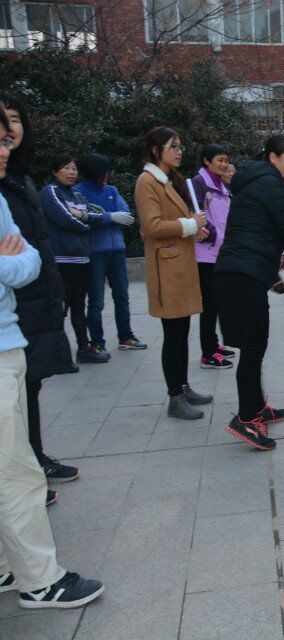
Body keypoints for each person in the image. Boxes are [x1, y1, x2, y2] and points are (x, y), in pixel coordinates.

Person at [0, 109, 105, 610]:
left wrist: (12, 260)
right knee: (18, 472)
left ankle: (7, 567)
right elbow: (17, 263)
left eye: (6, 140)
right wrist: (10, 260)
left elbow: (27, 263)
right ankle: (40, 581)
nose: (4, 149)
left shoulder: (4, 194)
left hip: (11, 339)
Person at [0, 92, 78, 488]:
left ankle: (33, 459)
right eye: (4, 120)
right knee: (15, 392)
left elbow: (34, 250)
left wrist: (55, 292)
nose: (10, 129)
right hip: (13, 305)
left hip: (34, 296)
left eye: (15, 119)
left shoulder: (20, 179)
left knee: (30, 384)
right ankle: (24, 471)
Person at [215, 135, 284, 450]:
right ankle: (245, 418)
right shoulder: (271, 183)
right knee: (253, 347)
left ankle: (256, 408)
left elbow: (255, 234)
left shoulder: (254, 182)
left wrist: (272, 276)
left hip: (238, 273)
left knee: (255, 345)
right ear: (273, 157)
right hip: (242, 275)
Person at [135, 126, 211, 420]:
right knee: (174, 334)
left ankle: (183, 387)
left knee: (182, 332)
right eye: (173, 147)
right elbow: (152, 226)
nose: (179, 152)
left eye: (180, 146)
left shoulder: (167, 179)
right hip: (167, 269)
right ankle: (175, 398)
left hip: (179, 266)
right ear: (156, 150)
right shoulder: (147, 181)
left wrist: (194, 228)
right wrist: (190, 224)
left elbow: (172, 220)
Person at [39, 153, 108, 365]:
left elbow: (97, 215)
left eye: (74, 168)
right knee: (61, 309)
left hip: (83, 260)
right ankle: (59, 356)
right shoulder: (50, 191)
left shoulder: (77, 195)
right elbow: (66, 219)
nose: (71, 173)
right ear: (54, 171)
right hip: (62, 261)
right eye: (66, 168)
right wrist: (85, 223)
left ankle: (83, 349)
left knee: (79, 308)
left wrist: (83, 217)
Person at [73, 153, 146, 353]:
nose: (107, 176)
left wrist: (102, 216)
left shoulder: (112, 190)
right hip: (95, 252)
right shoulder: (78, 192)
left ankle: (126, 336)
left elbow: (125, 213)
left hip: (117, 251)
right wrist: (110, 216)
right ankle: (97, 342)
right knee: (96, 300)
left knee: (122, 296)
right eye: (104, 172)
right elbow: (85, 216)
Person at [190, 143, 234, 370]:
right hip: (205, 254)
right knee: (209, 305)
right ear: (206, 161)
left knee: (216, 303)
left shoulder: (221, 186)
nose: (224, 164)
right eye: (220, 160)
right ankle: (208, 353)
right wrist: (214, 235)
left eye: (226, 160)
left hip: (219, 253)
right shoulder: (199, 183)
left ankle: (214, 345)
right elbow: (194, 214)